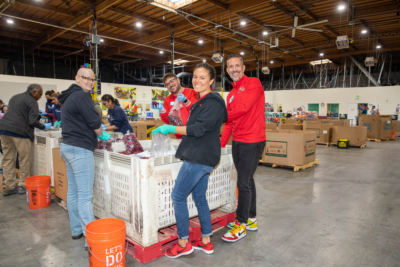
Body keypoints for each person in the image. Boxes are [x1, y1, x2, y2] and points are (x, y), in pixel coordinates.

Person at [152, 63, 227, 258]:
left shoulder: (213, 102)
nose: (197, 80)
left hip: (198, 157)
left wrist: (170, 129)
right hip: (202, 157)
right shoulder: (201, 101)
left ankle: (183, 242)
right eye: (195, 76)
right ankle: (206, 241)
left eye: (203, 77)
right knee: (199, 197)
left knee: (177, 196)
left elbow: (197, 130)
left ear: (212, 80)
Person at [57, 68, 110, 247]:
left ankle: (76, 230)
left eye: (93, 79)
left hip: (66, 146)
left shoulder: (68, 96)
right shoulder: (82, 96)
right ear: (77, 78)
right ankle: (91, 240)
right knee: (85, 196)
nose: (90, 82)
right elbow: (94, 122)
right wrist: (100, 134)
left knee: (73, 192)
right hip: (80, 149)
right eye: (86, 78)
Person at [220, 54, 266, 242]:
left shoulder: (254, 83)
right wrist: (221, 145)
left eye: (237, 65)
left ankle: (241, 224)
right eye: (230, 67)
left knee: (243, 182)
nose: (234, 69)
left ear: (244, 67)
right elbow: (230, 123)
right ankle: (251, 218)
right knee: (247, 180)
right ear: (227, 70)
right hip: (238, 141)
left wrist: (219, 116)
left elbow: (245, 108)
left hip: (253, 140)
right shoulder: (230, 95)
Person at [0, 84, 48, 196]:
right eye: (40, 94)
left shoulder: (14, 97)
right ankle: (23, 185)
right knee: (24, 159)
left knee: (7, 159)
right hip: (20, 132)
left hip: (4, 130)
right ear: (34, 92)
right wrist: (44, 127)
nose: (40, 97)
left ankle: (9, 187)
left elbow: (18, 113)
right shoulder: (32, 102)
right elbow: (32, 121)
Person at [152, 73, 198, 139]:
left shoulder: (193, 93)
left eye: (172, 81)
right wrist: (162, 109)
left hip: (194, 135)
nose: (170, 85)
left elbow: (197, 111)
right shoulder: (167, 100)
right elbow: (168, 121)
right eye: (167, 84)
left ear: (178, 80)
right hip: (179, 137)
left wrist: (186, 101)